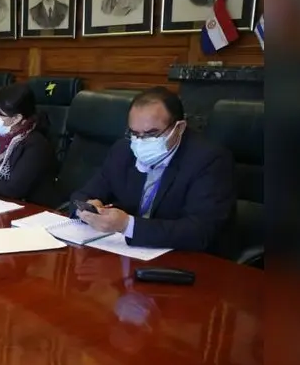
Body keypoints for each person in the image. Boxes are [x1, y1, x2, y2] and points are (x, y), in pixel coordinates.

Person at [70, 87, 235, 251]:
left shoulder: (209, 160)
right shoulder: (123, 150)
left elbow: (200, 231)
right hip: (125, 254)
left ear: (179, 128)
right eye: (135, 133)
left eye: (150, 134)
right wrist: (88, 210)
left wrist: (128, 225)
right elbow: (82, 195)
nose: (141, 142)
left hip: (181, 259)